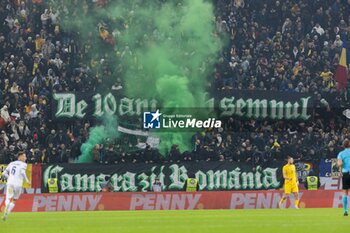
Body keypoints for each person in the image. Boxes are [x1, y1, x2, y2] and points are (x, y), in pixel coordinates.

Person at [1, 151, 31, 221]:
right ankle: (7, 213)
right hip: (18, 184)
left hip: (10, 183)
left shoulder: (11, 163)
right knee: (14, 200)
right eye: (24, 156)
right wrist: (27, 180)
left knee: (8, 198)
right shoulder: (24, 164)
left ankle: (6, 207)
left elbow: (4, 173)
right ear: (20, 157)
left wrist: (10, 177)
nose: (25, 158)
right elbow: (23, 172)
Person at [337, 139, 350, 216]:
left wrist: (339, 165)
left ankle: (345, 211)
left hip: (346, 174)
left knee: (345, 192)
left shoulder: (341, 153)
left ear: (343, 145)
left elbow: (340, 163)